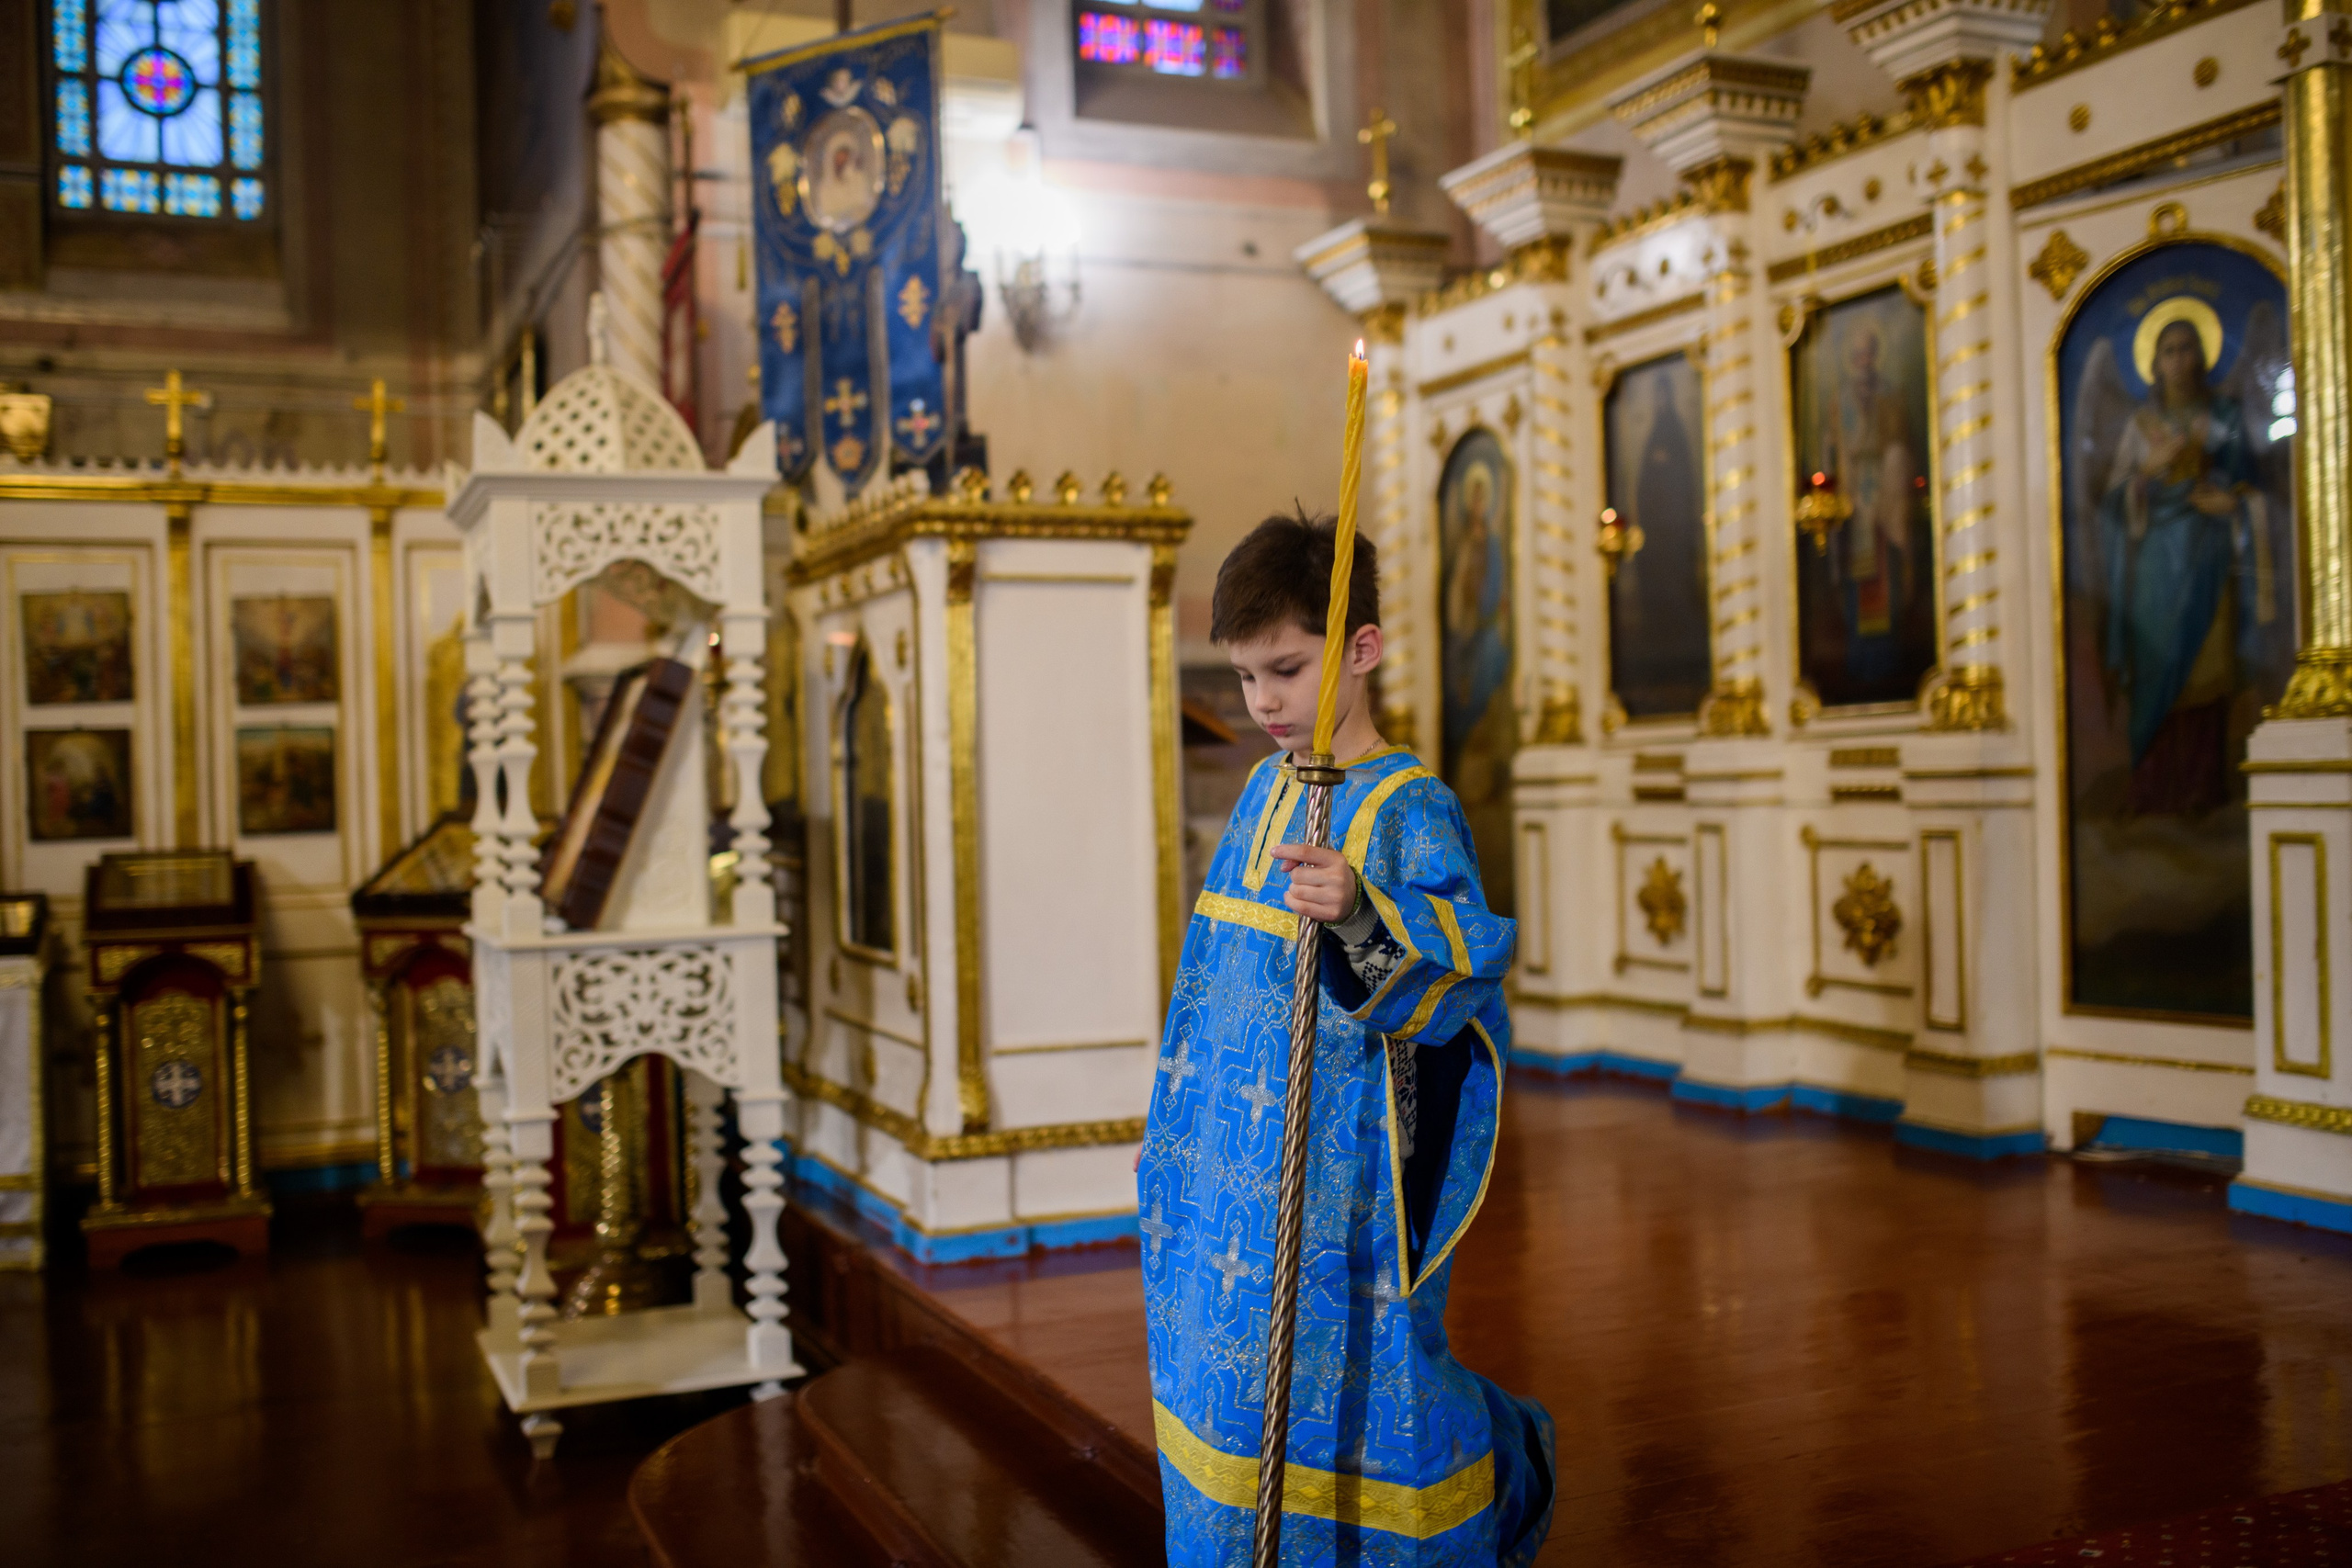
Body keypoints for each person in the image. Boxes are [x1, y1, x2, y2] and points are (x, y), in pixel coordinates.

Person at [1138, 511, 1555, 1567]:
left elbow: (1459, 986)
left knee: (1365, 1386)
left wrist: (1366, 917)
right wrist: (1175, 1135)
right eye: (1243, 678)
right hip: (1233, 1170)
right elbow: (1214, 985)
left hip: (1343, 1181)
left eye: (1285, 669)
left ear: (1360, 650)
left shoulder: (1411, 807)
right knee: (1223, 1397)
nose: (1264, 703)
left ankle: (1506, 1471)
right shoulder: (1263, 789)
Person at [2097, 315, 2268, 817]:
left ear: (2203, 356)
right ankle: (2152, 787)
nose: (2178, 359)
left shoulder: (2225, 418)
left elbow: (2252, 489)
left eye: (2187, 348)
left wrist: (2234, 504)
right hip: (2155, 564)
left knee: (2206, 668)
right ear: (2153, 364)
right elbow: (2110, 502)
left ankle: (2200, 788)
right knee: (2156, 664)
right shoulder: (2139, 427)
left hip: (2210, 558)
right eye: (2167, 350)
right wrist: (2145, 475)